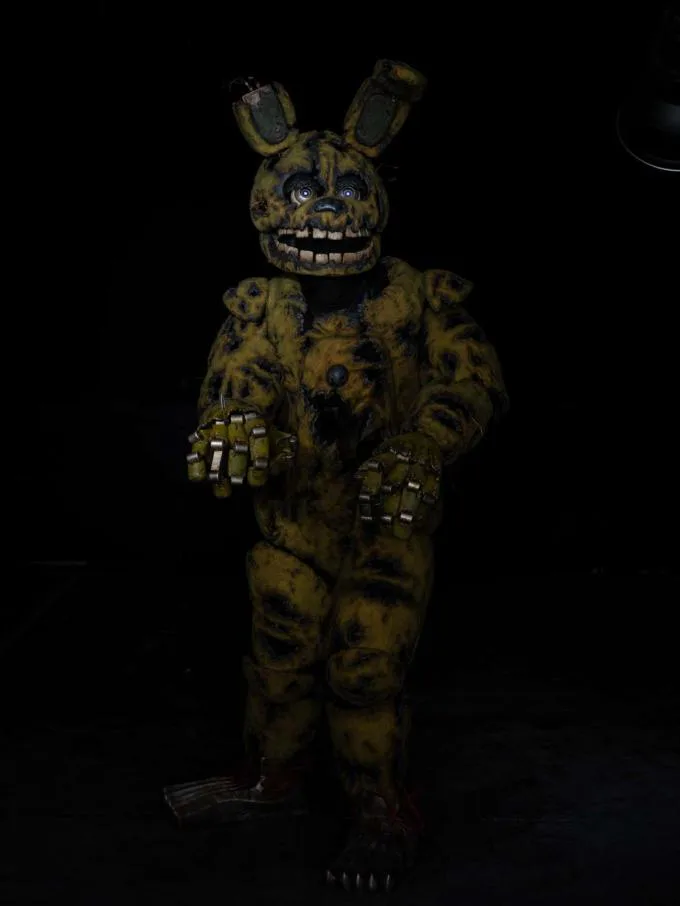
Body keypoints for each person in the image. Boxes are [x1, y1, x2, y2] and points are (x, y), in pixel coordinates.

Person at [164, 60, 509, 893]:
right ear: (267, 202)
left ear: (376, 197)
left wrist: (425, 443)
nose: (327, 212)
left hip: (386, 528)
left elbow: (472, 383)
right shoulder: (261, 309)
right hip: (289, 526)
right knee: (279, 656)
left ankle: (380, 807)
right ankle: (268, 777)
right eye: (303, 193)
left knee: (366, 668)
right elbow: (236, 385)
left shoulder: (418, 300)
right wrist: (234, 425)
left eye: (347, 191)